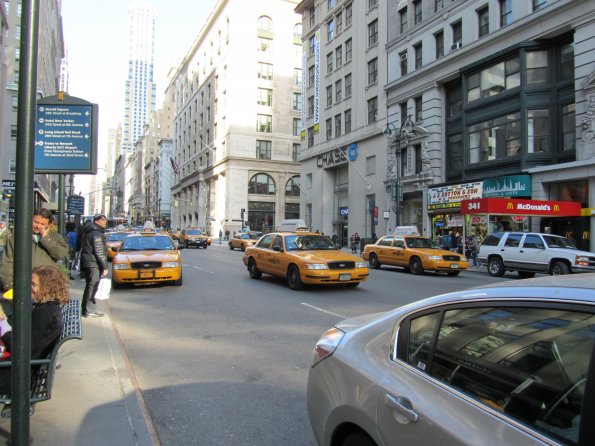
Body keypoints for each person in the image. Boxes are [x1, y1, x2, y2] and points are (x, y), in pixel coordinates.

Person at [0, 265, 70, 394]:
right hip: (18, 370)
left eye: (33, 284)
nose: (28, 287)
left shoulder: (45, 313)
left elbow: (23, 349)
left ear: (47, 287)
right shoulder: (47, 307)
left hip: (13, 376)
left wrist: (3, 331)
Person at [0, 209, 69, 291]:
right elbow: (7, 262)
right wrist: (9, 285)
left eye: (42, 224)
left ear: (49, 225)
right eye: (36, 222)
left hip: (46, 285)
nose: (38, 226)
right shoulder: (17, 236)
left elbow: (61, 253)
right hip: (22, 284)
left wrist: (46, 239)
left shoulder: (55, 237)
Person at [80, 214, 108, 318]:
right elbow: (99, 251)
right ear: (96, 221)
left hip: (89, 262)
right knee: (93, 286)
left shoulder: (91, 231)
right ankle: (88, 310)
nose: (105, 221)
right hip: (93, 263)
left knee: (90, 285)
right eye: (102, 220)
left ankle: (87, 309)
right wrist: (105, 267)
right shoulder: (96, 233)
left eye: (105, 219)